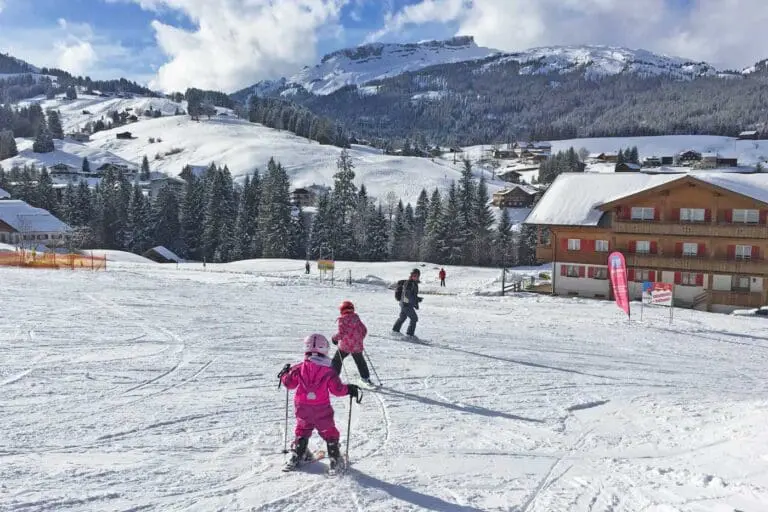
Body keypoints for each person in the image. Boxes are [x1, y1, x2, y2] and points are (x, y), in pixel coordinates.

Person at [279, 333, 360, 472]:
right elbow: (337, 390)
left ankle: (299, 454)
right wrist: (349, 389)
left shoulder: (299, 367)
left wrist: (285, 374)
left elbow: (289, 383)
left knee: (303, 428)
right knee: (328, 430)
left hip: (302, 406)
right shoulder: (329, 370)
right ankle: (335, 459)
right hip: (321, 407)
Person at [331, 301, 373, 386]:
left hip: (345, 346)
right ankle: (365, 378)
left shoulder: (342, 319)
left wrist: (334, 338)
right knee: (360, 361)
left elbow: (341, 333)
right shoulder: (356, 317)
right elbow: (364, 330)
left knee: (337, 360)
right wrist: (359, 338)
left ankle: (333, 378)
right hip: (357, 345)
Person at [392, 268, 422, 337]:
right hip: (406, 304)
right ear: (411, 275)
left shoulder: (413, 283)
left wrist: (417, 299)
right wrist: (416, 300)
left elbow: (412, 295)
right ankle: (410, 334)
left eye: (417, 276)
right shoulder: (409, 283)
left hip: (405, 303)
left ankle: (395, 330)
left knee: (402, 317)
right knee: (414, 318)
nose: (415, 277)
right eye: (414, 275)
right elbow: (407, 296)